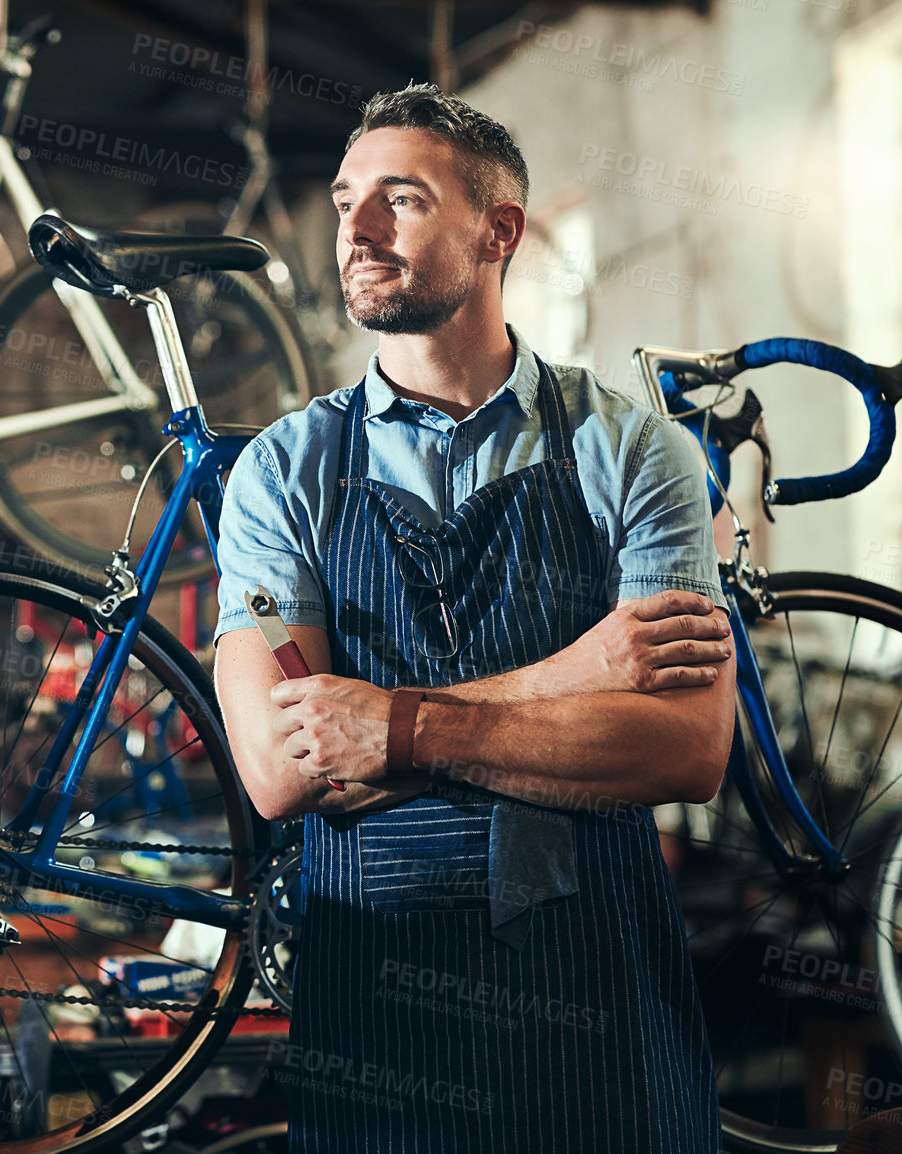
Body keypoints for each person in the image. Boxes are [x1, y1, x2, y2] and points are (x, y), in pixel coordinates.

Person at [213, 84, 735, 1151]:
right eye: (346, 197)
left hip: (599, 1020)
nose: (352, 229)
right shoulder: (282, 471)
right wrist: (570, 676)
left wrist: (390, 728)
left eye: (397, 199)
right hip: (372, 1019)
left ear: (499, 230)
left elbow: (684, 745)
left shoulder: (634, 453)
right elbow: (280, 767)